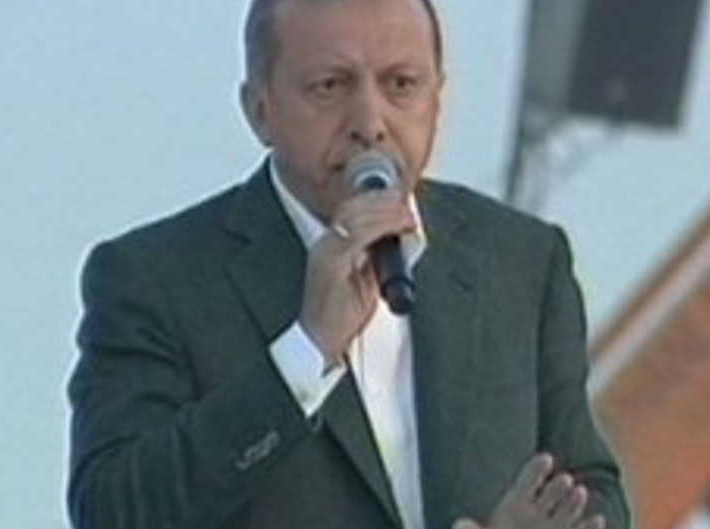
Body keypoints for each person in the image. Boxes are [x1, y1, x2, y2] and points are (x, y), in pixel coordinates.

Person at [66, 0, 631, 528]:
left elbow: (592, 490)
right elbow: (113, 509)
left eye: (401, 84)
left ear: (438, 99)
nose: (370, 121)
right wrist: (305, 353)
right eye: (330, 86)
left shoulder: (521, 260)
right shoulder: (153, 279)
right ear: (259, 110)